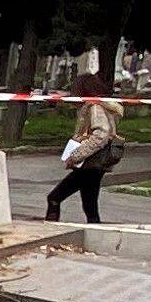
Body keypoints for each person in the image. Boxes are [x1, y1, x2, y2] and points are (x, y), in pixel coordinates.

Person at [46, 93, 121, 222]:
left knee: (54, 197)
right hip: (95, 165)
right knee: (90, 206)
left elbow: (100, 135)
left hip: (90, 163)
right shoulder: (99, 107)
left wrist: (76, 155)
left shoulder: (95, 108)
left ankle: (50, 230)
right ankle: (95, 233)